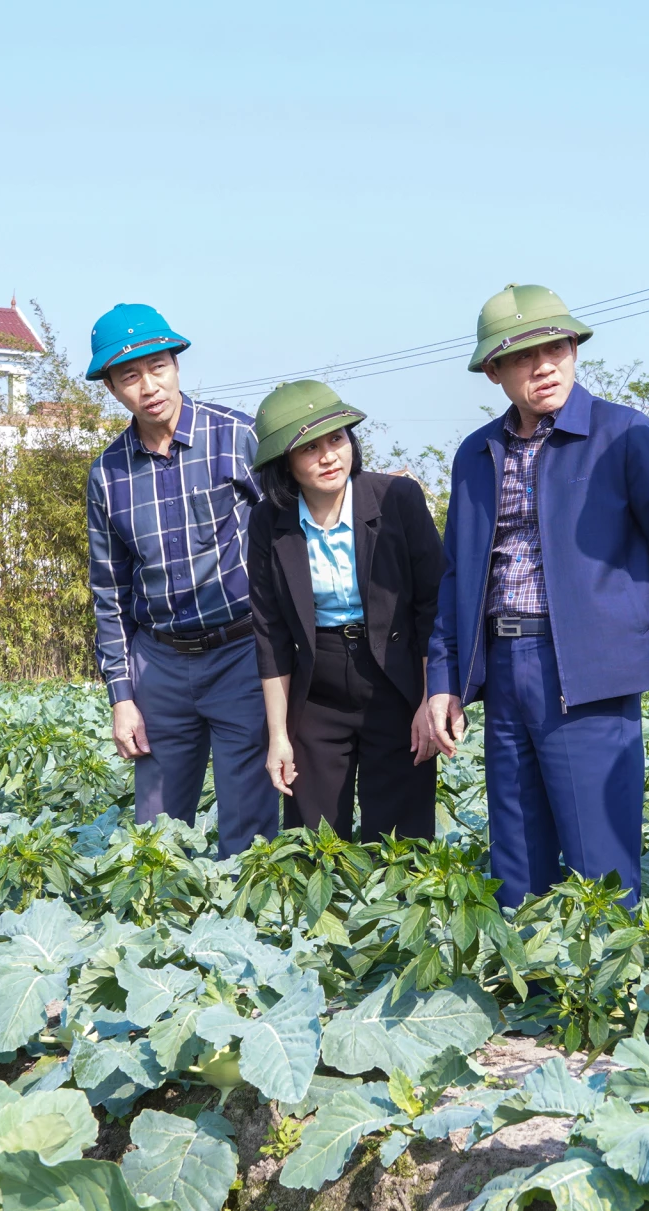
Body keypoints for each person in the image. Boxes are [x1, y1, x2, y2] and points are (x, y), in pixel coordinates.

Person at [424, 284, 649, 908]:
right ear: (494, 370)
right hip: (502, 669)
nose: (544, 364)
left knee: (598, 870)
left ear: (575, 350)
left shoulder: (623, 435)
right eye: (523, 356)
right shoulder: (477, 454)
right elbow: (458, 576)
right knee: (516, 862)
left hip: (586, 672)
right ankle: (539, 1000)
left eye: (556, 346)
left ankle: (613, 1001)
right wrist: (443, 679)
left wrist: (625, 631)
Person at [85, 303, 277, 858]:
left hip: (241, 654)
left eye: (159, 367)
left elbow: (290, 541)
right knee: (157, 837)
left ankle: (246, 938)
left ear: (176, 365)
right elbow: (108, 591)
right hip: (160, 666)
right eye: (130, 376)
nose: (149, 386)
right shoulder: (108, 472)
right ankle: (164, 941)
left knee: (249, 827)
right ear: (112, 387)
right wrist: (122, 695)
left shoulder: (237, 437)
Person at [246, 379, 444, 841]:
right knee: (315, 841)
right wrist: (278, 735)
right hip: (317, 685)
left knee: (399, 842)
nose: (329, 456)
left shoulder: (399, 500)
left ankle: (393, 914)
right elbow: (270, 633)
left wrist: (427, 699)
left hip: (396, 678)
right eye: (309, 448)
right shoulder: (267, 522)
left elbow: (431, 607)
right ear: (285, 464)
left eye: (336, 439)